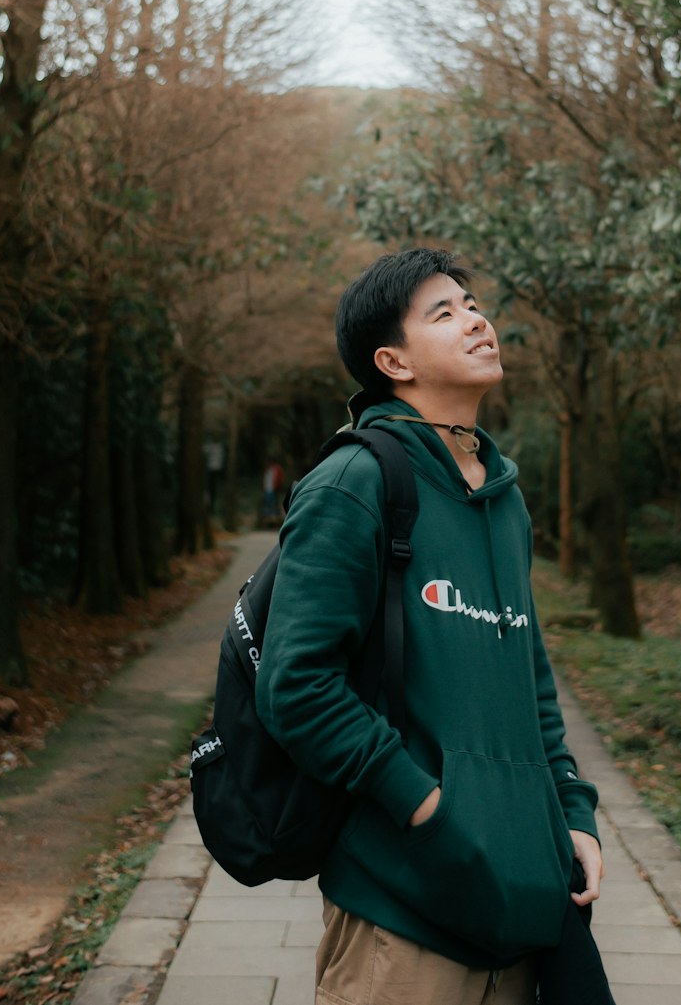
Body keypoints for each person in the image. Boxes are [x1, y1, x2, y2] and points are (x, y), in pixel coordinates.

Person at [256, 248, 605, 1005]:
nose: (476, 318)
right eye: (443, 312)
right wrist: (424, 805)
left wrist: (573, 811)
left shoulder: (504, 497)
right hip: (402, 915)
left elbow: (530, 678)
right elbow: (295, 687)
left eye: (473, 303)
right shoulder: (354, 483)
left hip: (517, 906)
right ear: (393, 360)